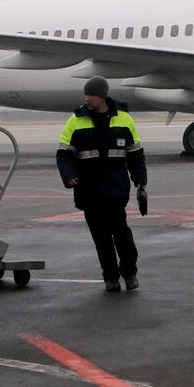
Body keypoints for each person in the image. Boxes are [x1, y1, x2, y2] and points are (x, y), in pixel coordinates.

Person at [57, 77, 147, 292]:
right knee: (101, 239)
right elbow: (63, 154)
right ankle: (111, 277)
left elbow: (135, 155)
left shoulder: (124, 119)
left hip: (115, 190)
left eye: (92, 95)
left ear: (103, 96)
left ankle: (129, 272)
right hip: (88, 191)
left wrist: (140, 182)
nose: (87, 99)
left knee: (121, 234)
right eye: (86, 95)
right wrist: (68, 175)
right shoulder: (75, 120)